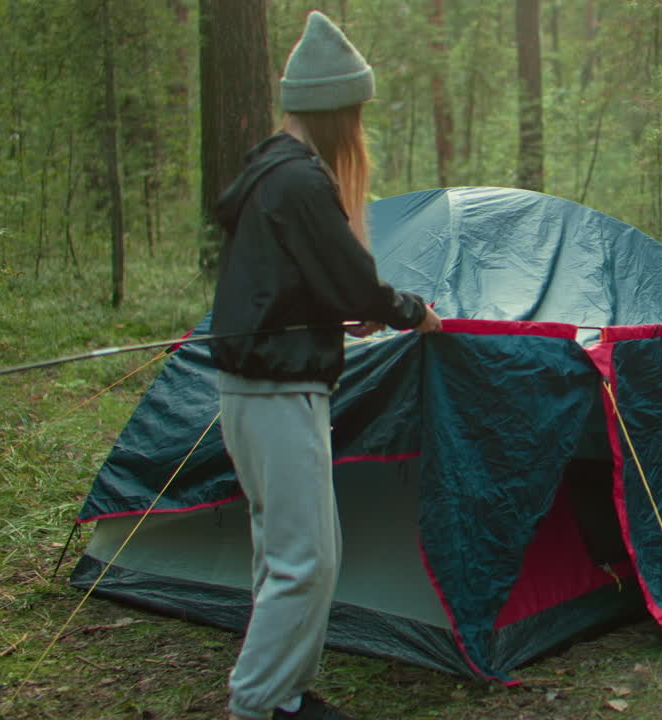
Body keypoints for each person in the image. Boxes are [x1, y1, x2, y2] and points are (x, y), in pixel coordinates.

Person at [210, 11, 442, 720]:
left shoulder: (267, 170)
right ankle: (257, 704)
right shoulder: (301, 183)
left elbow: (280, 280)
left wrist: (332, 311)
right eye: (358, 113)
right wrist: (411, 311)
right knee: (305, 560)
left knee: (287, 552)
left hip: (251, 388)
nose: (360, 129)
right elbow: (357, 279)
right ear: (338, 111)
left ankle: (285, 695)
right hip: (278, 393)